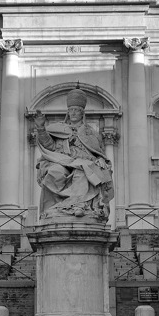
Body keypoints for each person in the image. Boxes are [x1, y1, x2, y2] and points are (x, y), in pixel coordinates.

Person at [33, 89, 112, 221]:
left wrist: (100, 159)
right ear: (68, 112)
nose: (73, 113)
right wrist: (41, 128)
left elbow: (98, 152)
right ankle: (55, 208)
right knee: (54, 172)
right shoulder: (60, 129)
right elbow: (49, 146)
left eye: (77, 110)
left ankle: (78, 204)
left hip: (83, 163)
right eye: (71, 110)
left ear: (82, 113)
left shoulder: (90, 133)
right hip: (62, 161)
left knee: (81, 171)